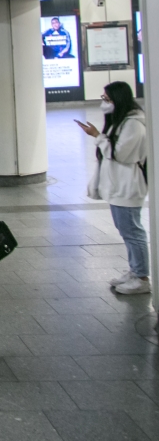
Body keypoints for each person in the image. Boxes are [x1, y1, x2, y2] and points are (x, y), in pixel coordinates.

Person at [78, 81, 151, 295]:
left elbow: (122, 154)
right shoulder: (120, 121)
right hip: (118, 185)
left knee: (132, 231)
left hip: (128, 185)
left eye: (107, 99)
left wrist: (97, 137)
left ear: (118, 99)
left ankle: (142, 277)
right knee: (126, 230)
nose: (104, 103)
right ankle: (135, 270)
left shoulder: (134, 124)